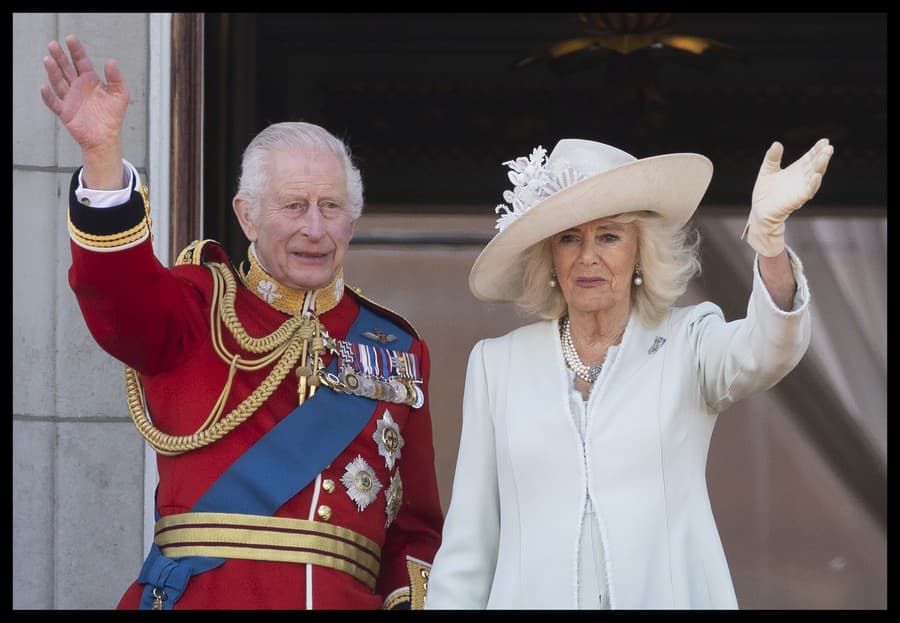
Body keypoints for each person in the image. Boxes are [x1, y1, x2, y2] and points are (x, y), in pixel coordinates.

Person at [40, 35, 443, 610]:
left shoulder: (398, 349)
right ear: (246, 216)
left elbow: (417, 529)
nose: (314, 227)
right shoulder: (194, 307)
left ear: (351, 224)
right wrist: (103, 157)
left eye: (331, 207)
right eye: (293, 205)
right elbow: (116, 293)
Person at [425, 136, 833, 609]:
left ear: (641, 251)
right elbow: (468, 547)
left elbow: (768, 348)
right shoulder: (497, 364)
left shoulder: (689, 341)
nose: (587, 257)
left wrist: (770, 244)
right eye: (569, 237)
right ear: (550, 257)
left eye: (609, 235)